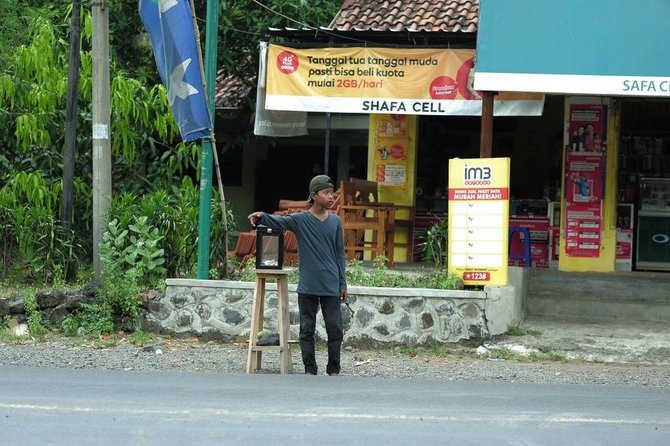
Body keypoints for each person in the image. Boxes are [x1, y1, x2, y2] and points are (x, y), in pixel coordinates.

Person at [247, 175, 348, 376]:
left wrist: (342, 283)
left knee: (335, 328)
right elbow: (279, 221)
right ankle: (310, 369)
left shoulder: (336, 222)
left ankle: (334, 369)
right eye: (326, 193)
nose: (331, 197)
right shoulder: (301, 220)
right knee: (306, 329)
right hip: (308, 284)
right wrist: (261, 215)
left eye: (332, 193)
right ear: (314, 195)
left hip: (330, 284)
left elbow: (339, 254)